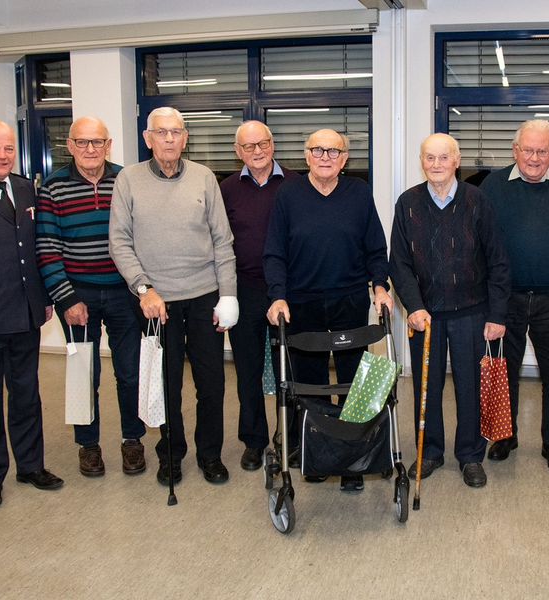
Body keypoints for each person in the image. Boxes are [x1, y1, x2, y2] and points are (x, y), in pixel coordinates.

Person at [109, 107, 239, 486]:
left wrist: (227, 294)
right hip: (155, 303)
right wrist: (143, 288)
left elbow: (222, 240)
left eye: (176, 132)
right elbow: (119, 242)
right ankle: (170, 453)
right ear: (148, 138)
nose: (169, 139)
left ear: (185, 138)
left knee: (211, 383)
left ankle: (210, 454)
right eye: (161, 133)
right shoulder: (128, 180)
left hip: (203, 296)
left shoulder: (203, 178)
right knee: (165, 384)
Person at [263, 128, 392, 492]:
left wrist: (380, 286)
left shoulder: (358, 193)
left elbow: (375, 249)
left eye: (333, 151)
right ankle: (317, 453)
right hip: (302, 303)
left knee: (354, 381)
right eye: (317, 150)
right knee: (313, 383)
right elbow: (274, 252)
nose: (325, 157)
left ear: (344, 159)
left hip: (349, 299)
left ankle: (353, 458)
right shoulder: (288, 194)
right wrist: (277, 295)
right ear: (306, 156)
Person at [390, 133, 511, 488]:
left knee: (469, 387)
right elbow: (398, 263)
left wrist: (497, 314)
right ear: (422, 161)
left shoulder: (478, 201)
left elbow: (498, 261)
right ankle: (429, 452)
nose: (437, 164)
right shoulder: (407, 203)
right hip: (425, 315)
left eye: (445, 158)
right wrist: (413, 306)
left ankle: (470, 455)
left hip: (471, 312)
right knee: (426, 388)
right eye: (430, 158)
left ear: (457, 161)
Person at [480, 120, 549, 472]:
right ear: (515, 150)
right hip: (504, 299)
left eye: (542, 151)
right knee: (504, 371)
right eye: (527, 150)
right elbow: (477, 243)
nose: (534, 157)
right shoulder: (492, 186)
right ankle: (505, 435)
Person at [36, 116, 146, 478]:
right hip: (78, 294)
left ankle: (133, 440)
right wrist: (66, 299)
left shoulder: (125, 180)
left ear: (108, 144)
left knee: (130, 373)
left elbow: (139, 237)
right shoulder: (53, 187)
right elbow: (48, 247)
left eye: (97, 142)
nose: (90, 149)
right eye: (82, 142)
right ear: (69, 146)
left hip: (123, 293)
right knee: (85, 373)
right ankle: (88, 445)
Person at [0, 120, 63, 510]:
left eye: (8, 149)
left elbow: (34, 248)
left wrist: (43, 298)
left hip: (25, 314)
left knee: (26, 395)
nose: (2, 156)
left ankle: (30, 465)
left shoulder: (25, 188)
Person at [220, 121, 299, 471]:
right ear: (238, 151)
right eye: (248, 146)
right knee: (248, 371)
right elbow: (218, 243)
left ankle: (295, 438)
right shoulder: (226, 190)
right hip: (245, 291)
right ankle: (254, 440)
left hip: (290, 291)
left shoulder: (297, 184)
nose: (257, 151)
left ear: (273, 144)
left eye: (263, 143)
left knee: (293, 369)